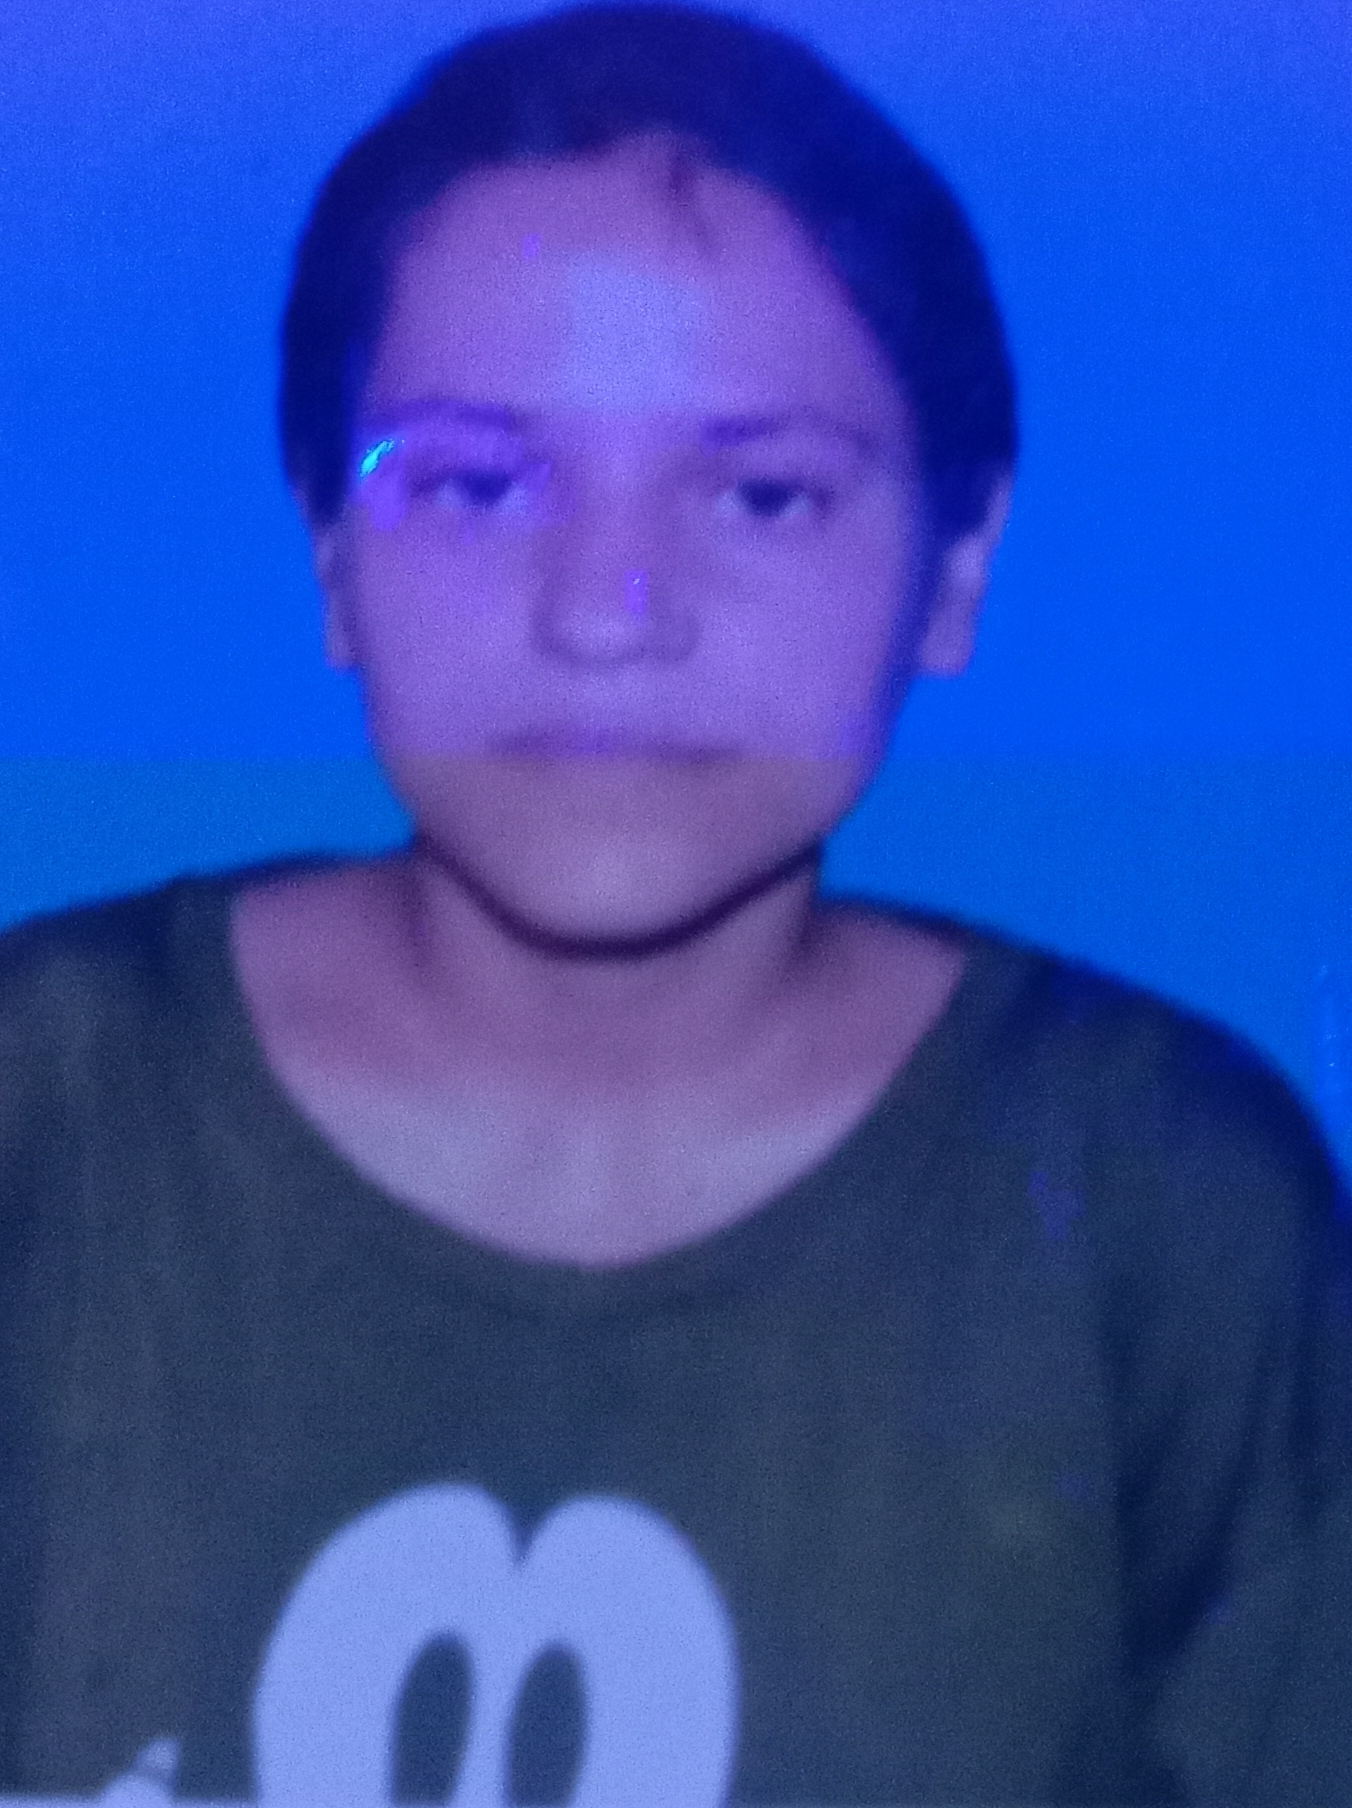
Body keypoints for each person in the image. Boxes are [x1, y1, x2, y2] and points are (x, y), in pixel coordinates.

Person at [2, 2, 1351, 1803]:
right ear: (329, 553)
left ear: (957, 566)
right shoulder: (47, 1117)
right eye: (477, 483)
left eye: (765, 494)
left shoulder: (1163, 1213)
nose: (607, 610)